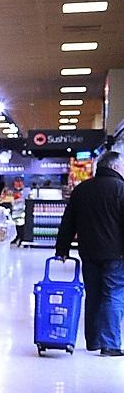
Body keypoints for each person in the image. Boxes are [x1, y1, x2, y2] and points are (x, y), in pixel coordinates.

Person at [55, 150, 124, 355]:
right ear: (114, 167)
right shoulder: (121, 189)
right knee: (113, 294)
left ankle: (93, 341)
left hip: (88, 253)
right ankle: (110, 344)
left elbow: (68, 221)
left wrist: (62, 249)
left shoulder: (82, 190)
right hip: (116, 255)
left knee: (93, 295)